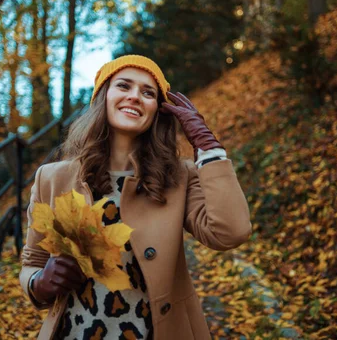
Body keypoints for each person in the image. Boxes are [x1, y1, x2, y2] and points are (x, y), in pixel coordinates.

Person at [20, 55, 252, 340]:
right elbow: (32, 261)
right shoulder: (53, 178)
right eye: (124, 86)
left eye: (148, 92)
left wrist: (207, 147)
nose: (134, 97)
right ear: (103, 97)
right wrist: (39, 282)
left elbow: (231, 232)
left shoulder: (178, 178)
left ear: (158, 110)